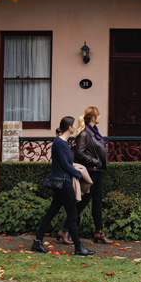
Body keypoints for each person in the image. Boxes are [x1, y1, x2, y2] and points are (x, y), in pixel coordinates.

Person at [32, 117, 95, 256]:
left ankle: (37, 242)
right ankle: (78, 247)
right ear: (69, 128)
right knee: (72, 215)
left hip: (62, 182)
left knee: (51, 213)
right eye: (73, 125)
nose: (74, 127)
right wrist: (77, 174)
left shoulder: (63, 142)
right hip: (63, 183)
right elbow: (65, 165)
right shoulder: (60, 143)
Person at [58, 105, 112, 245]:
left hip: (98, 171)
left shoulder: (94, 132)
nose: (100, 117)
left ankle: (99, 232)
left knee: (97, 203)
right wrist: (95, 161)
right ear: (93, 118)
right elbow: (80, 153)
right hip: (90, 172)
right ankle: (65, 229)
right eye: (98, 115)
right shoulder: (84, 133)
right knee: (83, 202)